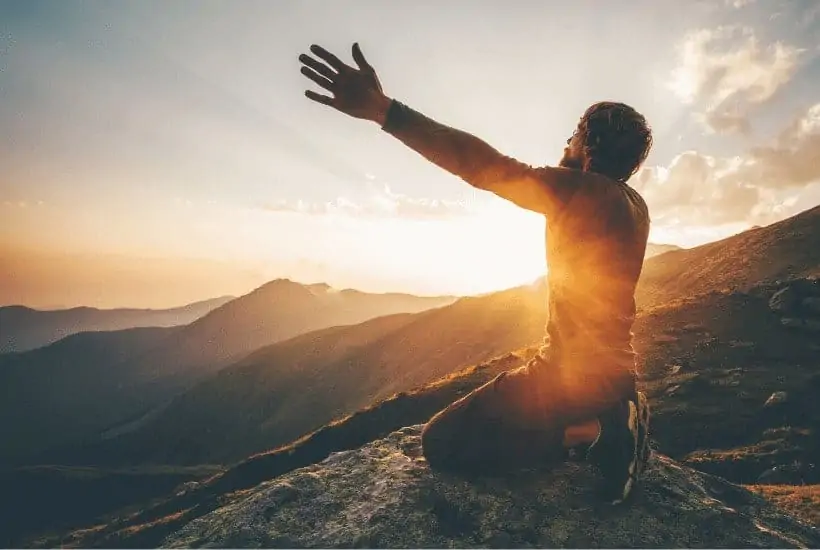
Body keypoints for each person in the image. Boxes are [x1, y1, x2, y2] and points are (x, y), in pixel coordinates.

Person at [298, 43, 652, 504]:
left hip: (568, 376)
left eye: (572, 136)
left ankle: (594, 432)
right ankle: (609, 415)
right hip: (614, 373)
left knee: (442, 443)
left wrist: (386, 112)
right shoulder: (635, 206)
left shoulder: (578, 191)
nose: (564, 146)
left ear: (590, 145)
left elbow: (485, 167)